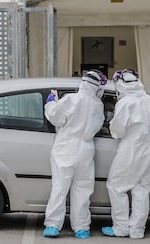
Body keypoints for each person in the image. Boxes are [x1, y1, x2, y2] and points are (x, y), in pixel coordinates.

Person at [101, 69, 150, 239]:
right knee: (141, 190)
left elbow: (117, 130)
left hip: (132, 149)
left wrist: (111, 127)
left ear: (121, 84)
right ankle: (137, 230)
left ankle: (121, 228)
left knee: (116, 187)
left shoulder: (126, 102)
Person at [43, 70, 107, 239]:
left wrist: (50, 103)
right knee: (83, 190)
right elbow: (98, 125)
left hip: (65, 148)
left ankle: (53, 226)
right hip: (85, 150)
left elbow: (54, 117)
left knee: (59, 188)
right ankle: (81, 228)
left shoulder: (71, 99)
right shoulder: (98, 106)